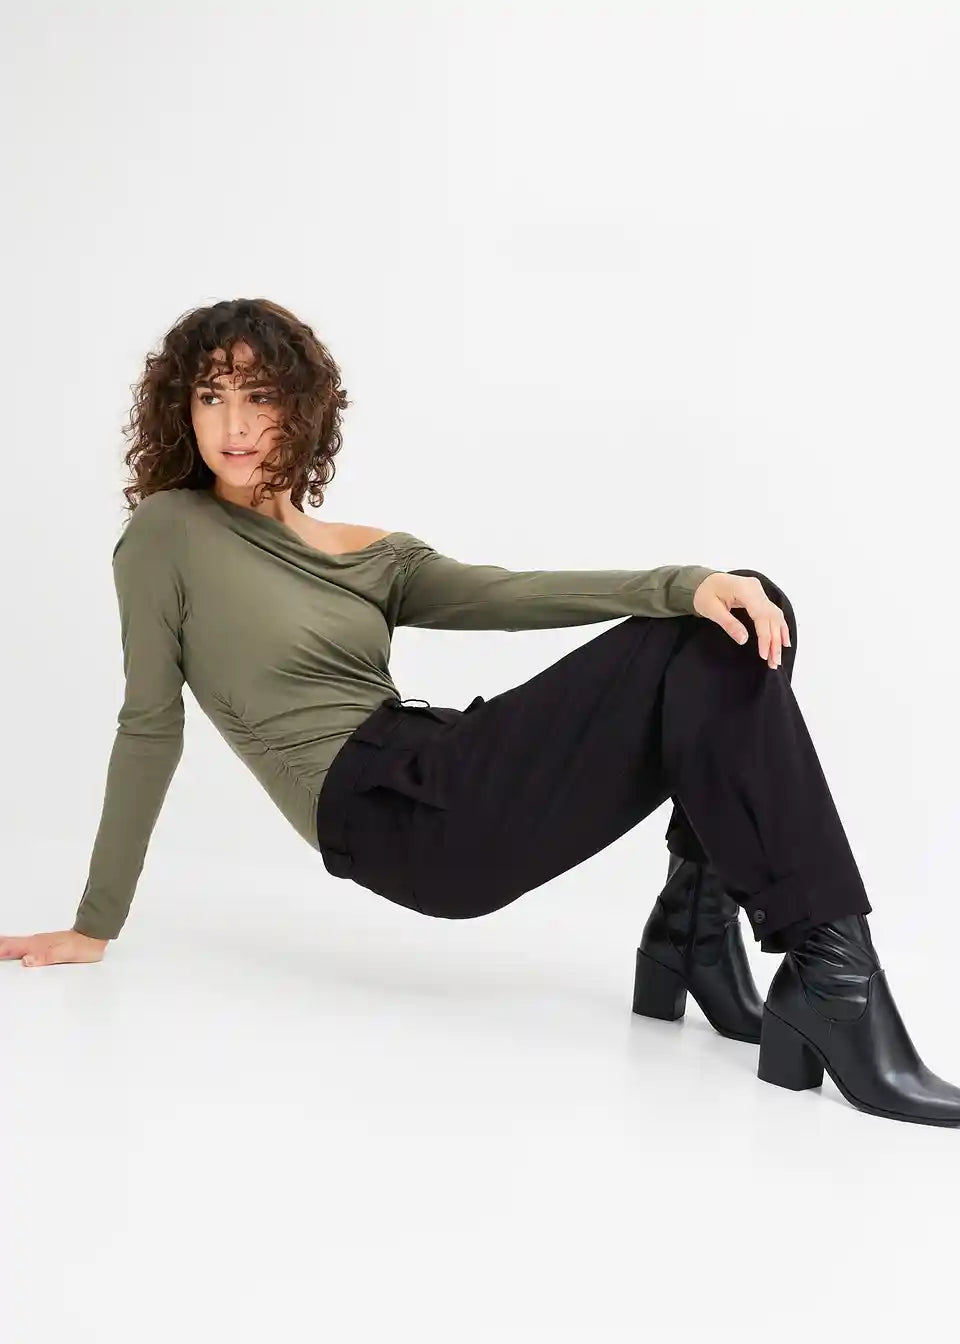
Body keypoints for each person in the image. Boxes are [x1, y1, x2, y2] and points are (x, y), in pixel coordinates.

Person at [2, 297, 957, 1128]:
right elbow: (148, 725)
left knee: (744, 610)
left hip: (443, 761)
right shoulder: (168, 533)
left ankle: (697, 937)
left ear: (305, 409)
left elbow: (511, 595)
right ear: (182, 410)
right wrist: (96, 921)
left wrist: (687, 581)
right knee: (712, 629)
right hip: (395, 815)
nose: (235, 425)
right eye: (211, 396)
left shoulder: (372, 552)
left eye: (259, 396)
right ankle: (825, 983)